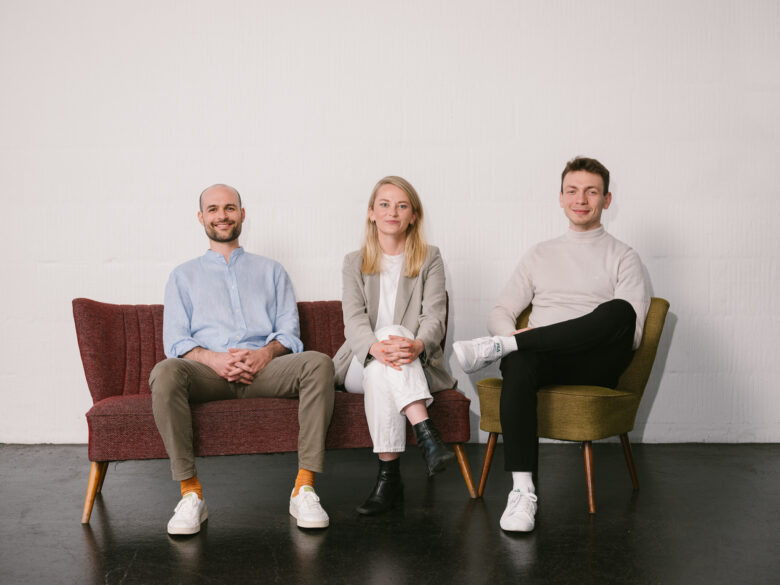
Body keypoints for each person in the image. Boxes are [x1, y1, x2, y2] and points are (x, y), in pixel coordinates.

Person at [453, 157, 650, 532]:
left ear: (606, 200)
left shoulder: (624, 256)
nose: (581, 199)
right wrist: (510, 336)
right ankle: (522, 492)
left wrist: (515, 341)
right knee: (520, 361)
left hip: (597, 363)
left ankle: (505, 347)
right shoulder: (540, 254)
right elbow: (502, 309)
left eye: (591, 192)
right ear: (560, 198)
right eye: (573, 191)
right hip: (542, 360)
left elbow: (633, 332)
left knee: (619, 311)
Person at [150, 184, 335, 535]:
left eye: (230, 208)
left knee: (318, 363)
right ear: (201, 217)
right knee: (165, 372)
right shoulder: (182, 276)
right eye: (215, 209)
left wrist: (265, 354)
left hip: (266, 370)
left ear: (242, 214)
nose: (223, 215)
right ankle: (191, 495)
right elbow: (175, 340)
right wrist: (213, 359)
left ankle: (304, 488)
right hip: (208, 374)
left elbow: (289, 332)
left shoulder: (272, 270)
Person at [332, 176, 458, 515]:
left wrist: (416, 345)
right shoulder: (353, 262)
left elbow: (434, 317)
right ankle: (426, 432)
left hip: (410, 360)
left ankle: (389, 480)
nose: (393, 212)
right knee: (387, 336)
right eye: (385, 204)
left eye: (402, 205)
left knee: (384, 365)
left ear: (413, 215)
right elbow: (354, 319)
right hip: (360, 361)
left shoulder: (430, 258)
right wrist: (376, 348)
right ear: (371, 213)